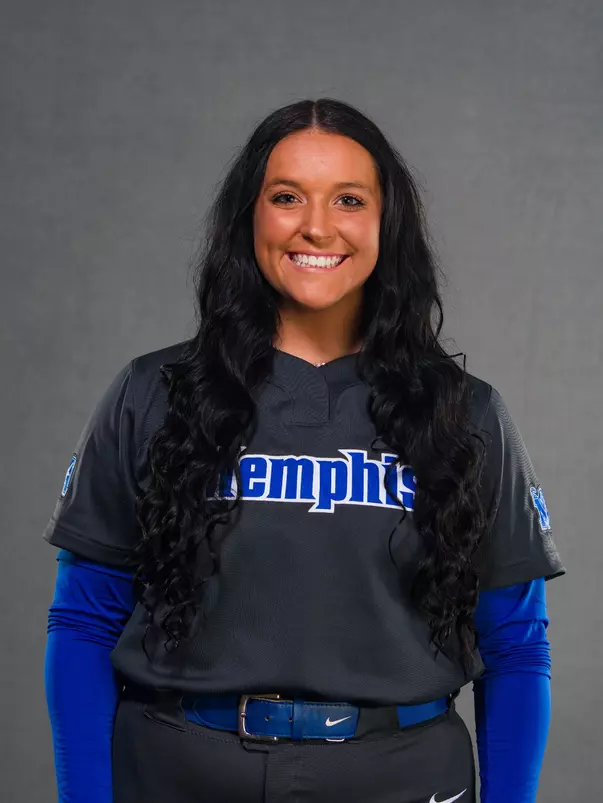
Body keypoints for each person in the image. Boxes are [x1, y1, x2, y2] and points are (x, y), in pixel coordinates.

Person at [43, 97, 566, 803]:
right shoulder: (153, 393)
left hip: (401, 776)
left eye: (348, 199)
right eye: (286, 196)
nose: (315, 225)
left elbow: (515, 646)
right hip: (178, 771)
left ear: (387, 223)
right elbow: (82, 620)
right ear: (249, 217)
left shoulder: (463, 413)